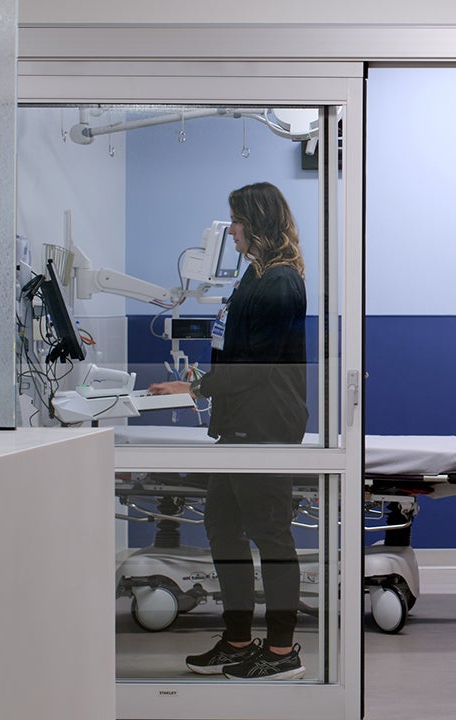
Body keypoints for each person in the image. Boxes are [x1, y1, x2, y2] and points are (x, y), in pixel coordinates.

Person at [149, 182, 309, 680]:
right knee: (222, 526)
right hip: (240, 424)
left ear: (257, 223)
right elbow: (235, 350)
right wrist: (201, 383)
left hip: (264, 424)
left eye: (236, 221)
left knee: (271, 535)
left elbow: (255, 366)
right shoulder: (252, 278)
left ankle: (283, 651)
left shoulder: (280, 282)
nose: (231, 231)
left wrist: (195, 388)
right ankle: (239, 638)